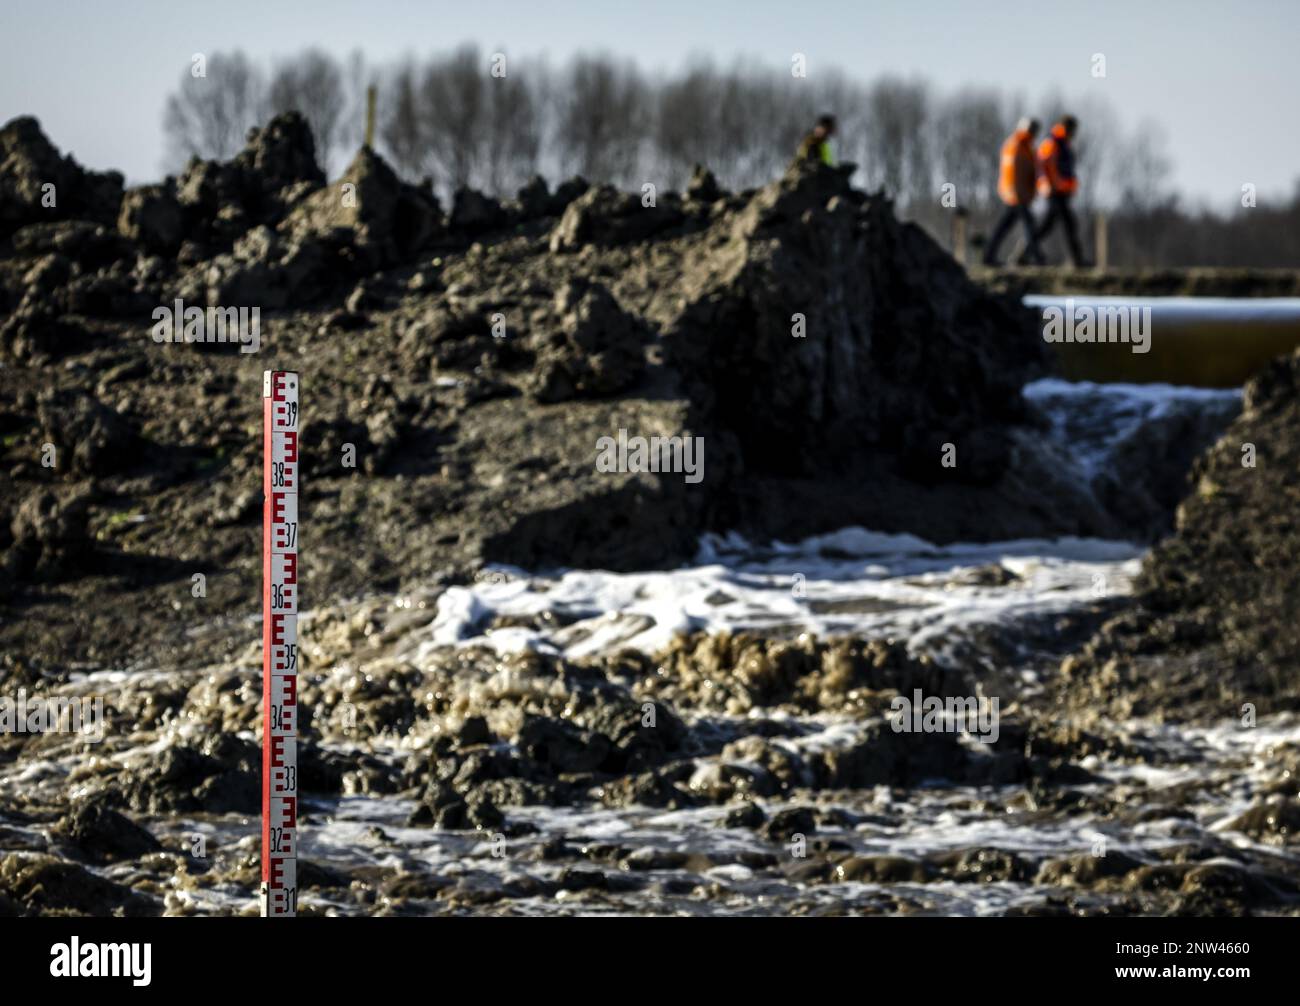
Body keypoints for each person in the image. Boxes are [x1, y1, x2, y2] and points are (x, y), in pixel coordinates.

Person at [983, 118, 1045, 265]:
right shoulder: (1016, 145)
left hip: (1020, 195)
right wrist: (1018, 193)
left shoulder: (1026, 146)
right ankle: (1036, 258)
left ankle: (988, 257)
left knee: (1005, 227)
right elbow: (1012, 173)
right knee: (1029, 226)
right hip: (1016, 195)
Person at [1033, 115, 1086, 266]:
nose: (1075, 134)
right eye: (1074, 130)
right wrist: (1047, 185)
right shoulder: (1053, 143)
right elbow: (1042, 165)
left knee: (1048, 226)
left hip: (1062, 191)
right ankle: (1077, 261)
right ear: (1068, 128)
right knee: (1069, 225)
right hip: (1055, 192)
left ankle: (1026, 252)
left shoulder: (1064, 144)